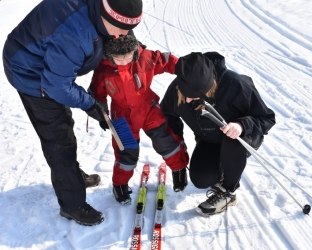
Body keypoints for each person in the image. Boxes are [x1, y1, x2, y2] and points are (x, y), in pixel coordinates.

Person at [2, 0, 143, 226]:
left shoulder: (102, 14)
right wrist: (90, 104)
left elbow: (112, 36)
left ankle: (72, 177)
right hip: (29, 70)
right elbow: (56, 86)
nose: (125, 35)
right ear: (107, 18)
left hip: (48, 63)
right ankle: (72, 203)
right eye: (122, 30)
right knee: (59, 140)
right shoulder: (76, 34)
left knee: (64, 123)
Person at [160, 52, 276, 216]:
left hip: (243, 137)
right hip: (211, 139)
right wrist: (177, 162)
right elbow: (167, 119)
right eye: (185, 94)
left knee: (232, 139)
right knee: (201, 179)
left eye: (193, 96)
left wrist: (241, 125)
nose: (186, 100)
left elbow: (267, 118)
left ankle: (228, 191)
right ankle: (223, 168)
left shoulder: (236, 85)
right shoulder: (177, 89)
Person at [89, 35, 189, 204]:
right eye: (118, 58)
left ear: (134, 51)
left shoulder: (145, 58)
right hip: (122, 116)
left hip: (148, 108)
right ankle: (119, 185)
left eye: (128, 56)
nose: (124, 61)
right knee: (126, 152)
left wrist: (186, 69)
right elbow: (96, 94)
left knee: (166, 140)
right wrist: (101, 114)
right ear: (109, 55)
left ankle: (179, 171)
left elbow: (166, 60)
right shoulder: (103, 70)